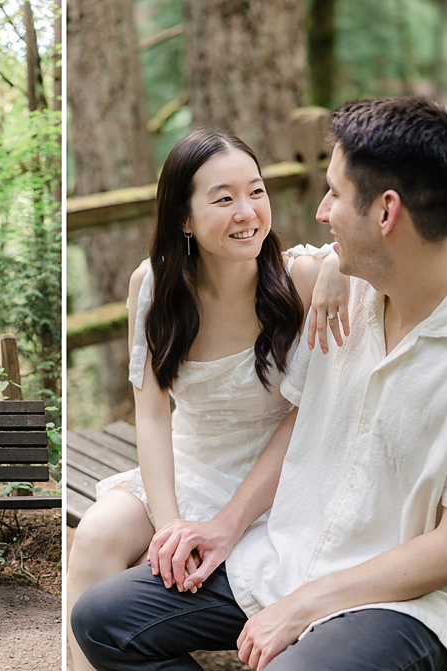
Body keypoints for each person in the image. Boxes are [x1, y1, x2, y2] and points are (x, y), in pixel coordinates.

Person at [72, 96, 447, 671]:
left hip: (409, 602)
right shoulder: (348, 293)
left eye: (332, 193)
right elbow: (301, 414)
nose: (321, 211)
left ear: (386, 213)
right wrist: (226, 528)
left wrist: (304, 606)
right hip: (291, 553)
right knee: (101, 619)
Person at [66, 128, 352, 671]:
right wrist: (172, 526)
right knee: (96, 535)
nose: (247, 212)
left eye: (257, 192)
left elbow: (424, 259)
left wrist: (340, 263)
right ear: (183, 217)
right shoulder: (151, 286)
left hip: (282, 480)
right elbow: (150, 415)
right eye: (223, 199)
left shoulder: (305, 279)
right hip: (191, 465)